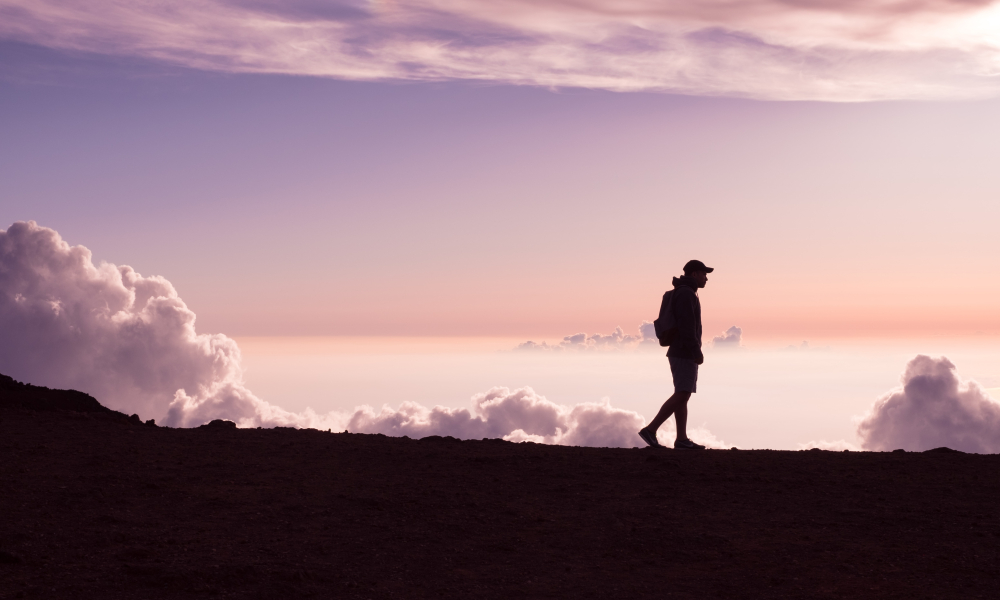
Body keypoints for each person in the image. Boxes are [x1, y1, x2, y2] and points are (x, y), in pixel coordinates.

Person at [638, 259, 713, 450]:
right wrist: (696, 351)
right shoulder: (687, 294)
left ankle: (681, 439)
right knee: (683, 392)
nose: (706, 278)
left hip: (679, 350)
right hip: (684, 351)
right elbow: (687, 326)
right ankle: (650, 429)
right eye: (704, 274)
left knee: (682, 393)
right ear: (695, 274)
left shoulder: (685, 292)